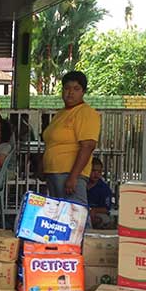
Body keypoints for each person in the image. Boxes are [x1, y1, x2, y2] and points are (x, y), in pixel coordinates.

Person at [42, 71, 100, 205]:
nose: (70, 93)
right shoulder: (61, 113)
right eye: (67, 88)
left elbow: (88, 146)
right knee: (60, 214)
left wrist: (74, 177)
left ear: (83, 92)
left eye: (76, 89)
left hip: (70, 173)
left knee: (74, 213)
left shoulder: (85, 112)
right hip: (54, 173)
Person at [87, 157, 113, 228]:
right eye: (93, 171)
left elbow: (106, 208)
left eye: (99, 172)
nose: (96, 174)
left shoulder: (104, 188)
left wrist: (94, 210)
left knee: (101, 220)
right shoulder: (81, 184)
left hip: (97, 214)